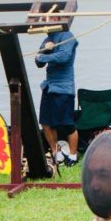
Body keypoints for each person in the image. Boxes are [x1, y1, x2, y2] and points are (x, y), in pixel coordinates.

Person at [34, 20, 79, 166]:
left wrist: (43, 56)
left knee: (67, 125)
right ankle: (57, 154)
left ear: (57, 20)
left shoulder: (68, 36)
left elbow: (64, 57)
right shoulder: (47, 40)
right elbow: (38, 63)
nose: (45, 22)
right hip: (49, 87)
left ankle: (72, 157)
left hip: (64, 88)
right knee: (45, 123)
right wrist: (45, 50)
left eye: (50, 19)